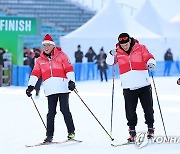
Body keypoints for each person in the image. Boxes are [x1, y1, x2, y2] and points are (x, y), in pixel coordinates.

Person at [26, 34, 76, 143]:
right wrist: (30, 86)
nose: (46, 47)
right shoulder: (39, 60)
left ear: (53, 45)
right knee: (51, 113)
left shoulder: (62, 55)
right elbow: (35, 73)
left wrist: (72, 81)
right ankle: (49, 135)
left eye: (48, 45)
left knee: (64, 110)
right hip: (50, 89)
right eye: (44, 45)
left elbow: (69, 68)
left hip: (62, 88)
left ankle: (71, 132)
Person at [106, 33, 156, 142]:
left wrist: (151, 63)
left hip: (144, 84)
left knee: (148, 108)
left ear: (130, 41)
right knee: (130, 111)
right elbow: (109, 62)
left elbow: (149, 57)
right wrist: (111, 54)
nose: (125, 46)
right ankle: (132, 131)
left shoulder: (140, 48)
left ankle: (150, 128)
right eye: (122, 45)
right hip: (128, 86)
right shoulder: (117, 52)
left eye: (126, 44)